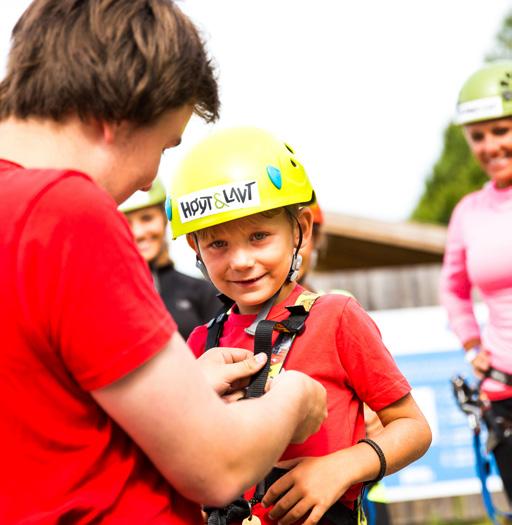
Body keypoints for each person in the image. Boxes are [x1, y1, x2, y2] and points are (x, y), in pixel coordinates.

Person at [0, 2, 328, 524]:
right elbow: (216, 466)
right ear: (117, 115)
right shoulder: (65, 211)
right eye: (163, 144)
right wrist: (296, 402)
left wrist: (186, 392)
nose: (150, 178)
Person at [167, 126, 432, 525]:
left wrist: (341, 467)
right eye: (218, 243)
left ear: (301, 229)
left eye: (259, 236)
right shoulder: (203, 343)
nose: (240, 260)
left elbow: (413, 428)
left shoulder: (337, 317)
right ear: (195, 248)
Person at [441, 60, 512, 505]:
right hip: (503, 391)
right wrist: (471, 344)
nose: (489, 146)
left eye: (501, 130)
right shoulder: (467, 211)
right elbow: (453, 288)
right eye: (478, 135)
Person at [119, 178, 221, 339]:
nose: (138, 233)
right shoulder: (100, 299)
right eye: (124, 222)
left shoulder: (205, 292)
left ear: (164, 219)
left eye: (147, 218)